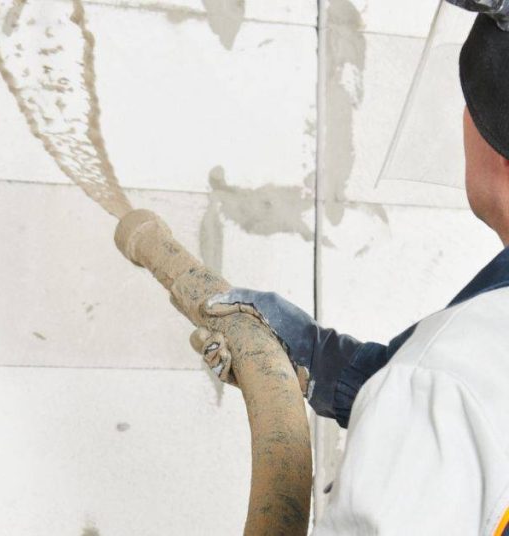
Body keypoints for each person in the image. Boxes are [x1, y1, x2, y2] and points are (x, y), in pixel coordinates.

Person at [192, 10, 509, 535]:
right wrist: (325, 360)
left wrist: (408, 388)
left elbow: (454, 399)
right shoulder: (451, 379)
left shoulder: (443, 383)